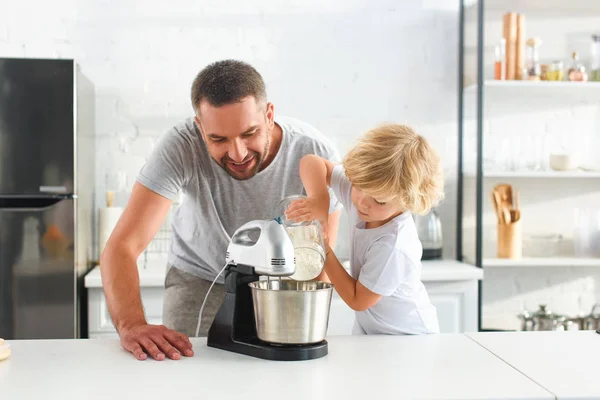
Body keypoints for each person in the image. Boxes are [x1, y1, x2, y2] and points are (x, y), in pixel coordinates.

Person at [100, 60, 342, 361]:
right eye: (218, 139)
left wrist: (306, 326)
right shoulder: (180, 146)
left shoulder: (315, 153)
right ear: (200, 127)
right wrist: (132, 325)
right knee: (187, 374)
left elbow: (320, 255)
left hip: (281, 284)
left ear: (269, 115)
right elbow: (122, 246)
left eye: (249, 133)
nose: (237, 153)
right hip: (200, 276)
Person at [285, 123, 444, 335]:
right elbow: (311, 162)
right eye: (358, 186)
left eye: (379, 201)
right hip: (373, 330)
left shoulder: (394, 245)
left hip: (407, 336)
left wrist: (324, 249)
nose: (362, 202)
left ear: (407, 201)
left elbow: (357, 299)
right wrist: (319, 199)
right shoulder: (367, 191)